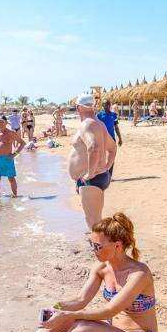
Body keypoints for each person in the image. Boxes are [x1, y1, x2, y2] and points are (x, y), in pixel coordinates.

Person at [0, 212, 159, 332]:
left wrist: (67, 315)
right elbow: (80, 300)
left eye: (97, 246)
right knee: (61, 318)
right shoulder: (102, 268)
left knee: (83, 325)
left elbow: (110, 311)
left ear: (117, 246)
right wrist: (57, 308)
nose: (93, 249)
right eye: (91, 244)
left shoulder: (138, 274)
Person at [69, 94, 117, 230]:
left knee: (93, 222)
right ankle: (97, 241)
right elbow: (113, 148)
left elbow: (93, 147)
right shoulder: (99, 124)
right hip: (99, 177)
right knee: (95, 219)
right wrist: (106, 167)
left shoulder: (86, 124)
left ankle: (99, 243)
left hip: (91, 179)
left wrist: (90, 174)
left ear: (78, 107)